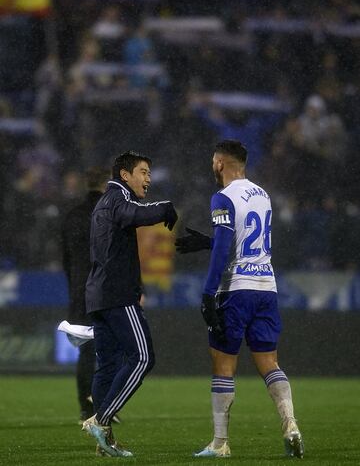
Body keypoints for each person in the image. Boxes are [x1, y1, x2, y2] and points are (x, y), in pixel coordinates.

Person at [175, 140, 304, 459]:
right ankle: (290, 425)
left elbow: (224, 248)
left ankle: (220, 443)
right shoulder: (262, 194)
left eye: (212, 162)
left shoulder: (222, 197)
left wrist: (207, 293)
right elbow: (246, 238)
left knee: (223, 364)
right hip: (266, 287)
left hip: (235, 289)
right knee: (269, 362)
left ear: (220, 163)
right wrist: (208, 240)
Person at [82, 150, 178, 458]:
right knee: (142, 358)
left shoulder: (103, 203)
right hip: (116, 295)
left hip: (99, 295)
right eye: (143, 172)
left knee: (107, 367)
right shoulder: (116, 200)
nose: (148, 178)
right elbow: (134, 215)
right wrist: (165, 208)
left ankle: (104, 442)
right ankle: (101, 419)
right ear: (125, 175)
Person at [62, 166, 111, 423]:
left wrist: (74, 285)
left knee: (85, 351)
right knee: (111, 349)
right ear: (107, 184)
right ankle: (105, 406)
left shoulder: (72, 216)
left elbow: (66, 259)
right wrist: (137, 287)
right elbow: (121, 254)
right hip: (107, 288)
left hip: (80, 289)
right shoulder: (109, 212)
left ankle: (86, 409)